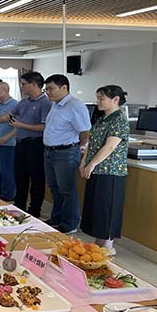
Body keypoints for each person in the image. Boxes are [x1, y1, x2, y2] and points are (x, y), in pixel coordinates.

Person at [0, 72, 52, 218]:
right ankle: (19, 206)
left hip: (35, 144)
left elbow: (44, 127)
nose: (22, 87)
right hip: (21, 143)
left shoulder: (45, 103)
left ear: (34, 84)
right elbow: (11, 115)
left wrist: (21, 125)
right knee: (20, 176)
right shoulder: (24, 102)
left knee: (36, 178)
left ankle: (34, 210)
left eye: (24, 84)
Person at [80, 86, 129, 255]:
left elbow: (110, 146)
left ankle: (108, 245)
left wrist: (92, 164)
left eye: (101, 98)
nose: (98, 102)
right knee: (97, 207)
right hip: (96, 170)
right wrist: (84, 162)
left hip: (111, 171)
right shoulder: (102, 119)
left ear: (115, 99)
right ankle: (99, 242)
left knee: (108, 207)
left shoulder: (119, 120)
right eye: (98, 98)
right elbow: (91, 142)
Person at [43, 74, 91, 234]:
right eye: (46, 89)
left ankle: (69, 224)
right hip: (50, 151)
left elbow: (85, 132)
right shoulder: (55, 104)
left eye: (51, 89)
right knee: (54, 187)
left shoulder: (75, 106)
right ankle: (56, 218)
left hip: (66, 152)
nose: (48, 92)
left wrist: (78, 148)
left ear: (64, 87)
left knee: (67, 190)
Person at [0, 82, 18, 202]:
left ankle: (7, 195)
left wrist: (8, 136)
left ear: (5, 91)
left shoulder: (15, 104)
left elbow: (19, 126)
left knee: (6, 170)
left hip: (9, 144)